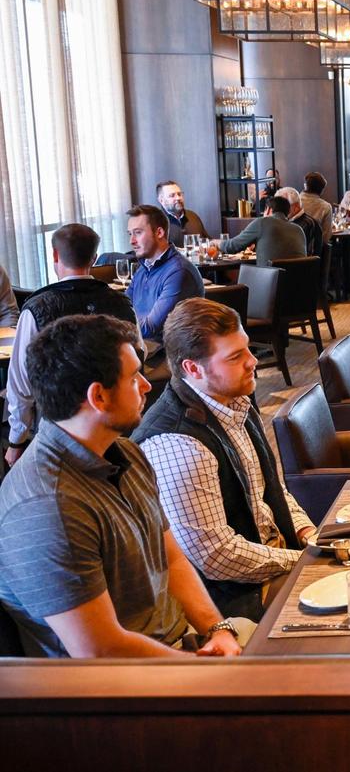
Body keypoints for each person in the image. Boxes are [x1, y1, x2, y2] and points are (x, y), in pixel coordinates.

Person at [0, 314, 246, 658]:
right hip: (115, 692)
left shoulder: (124, 451)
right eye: (134, 378)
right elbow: (100, 651)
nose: (147, 386)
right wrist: (204, 671)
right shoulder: (48, 506)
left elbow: (171, 558)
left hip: (177, 649)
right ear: (98, 397)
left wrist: (217, 630)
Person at [136, 299, 316, 621]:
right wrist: (303, 560)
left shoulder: (235, 401)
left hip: (271, 561)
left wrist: (308, 535)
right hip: (229, 601)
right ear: (193, 368)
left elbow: (272, 490)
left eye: (247, 349)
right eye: (235, 357)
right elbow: (216, 557)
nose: (252, 362)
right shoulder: (180, 444)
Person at [6, 224, 136, 467]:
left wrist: (16, 441)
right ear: (95, 259)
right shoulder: (121, 303)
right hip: (114, 421)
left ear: (55, 255)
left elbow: (21, 383)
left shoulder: (37, 308)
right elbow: (138, 355)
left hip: (57, 428)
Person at [127, 204, 204, 342]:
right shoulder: (143, 267)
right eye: (130, 234)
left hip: (168, 355)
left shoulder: (179, 271)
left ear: (159, 233)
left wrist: (116, 327)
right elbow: (122, 308)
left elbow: (150, 329)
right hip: (144, 347)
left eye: (138, 232)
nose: (131, 241)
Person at [219, 194, 306, 266]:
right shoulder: (299, 229)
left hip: (269, 283)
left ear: (268, 210)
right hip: (299, 284)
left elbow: (232, 247)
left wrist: (217, 243)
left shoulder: (262, 222)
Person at [157, 180, 207, 248]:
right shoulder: (156, 222)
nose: (178, 198)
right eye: (172, 196)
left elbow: (206, 241)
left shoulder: (193, 216)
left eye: (179, 194)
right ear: (161, 200)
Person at [276, 186, 321, 256]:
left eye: (283, 206)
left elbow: (307, 256)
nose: (278, 211)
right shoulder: (285, 222)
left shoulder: (308, 224)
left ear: (296, 207)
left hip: (301, 265)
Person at [300, 171, 334, 246]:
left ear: (305, 185)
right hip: (315, 254)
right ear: (322, 190)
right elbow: (326, 236)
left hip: (293, 248)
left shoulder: (294, 201)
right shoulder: (326, 207)